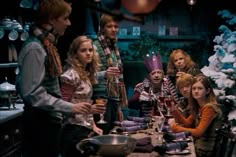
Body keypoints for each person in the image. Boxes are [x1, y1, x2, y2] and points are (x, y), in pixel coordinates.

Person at [16, 1, 91, 157]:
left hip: (47, 121)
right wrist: (70, 107)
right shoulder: (35, 48)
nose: (69, 23)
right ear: (51, 19)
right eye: (65, 18)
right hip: (39, 123)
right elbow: (32, 93)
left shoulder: (47, 45)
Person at [60, 36, 105, 157]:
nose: (88, 53)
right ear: (75, 54)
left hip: (83, 127)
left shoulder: (85, 73)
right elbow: (62, 106)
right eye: (83, 50)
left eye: (90, 50)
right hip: (72, 129)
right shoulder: (70, 75)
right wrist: (89, 110)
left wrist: (93, 125)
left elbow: (86, 102)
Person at [169, 74, 222, 157]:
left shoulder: (209, 108)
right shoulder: (199, 107)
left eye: (200, 88)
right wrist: (173, 110)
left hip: (204, 151)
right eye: (194, 88)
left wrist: (177, 128)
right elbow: (187, 123)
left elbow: (198, 132)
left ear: (207, 91)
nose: (196, 91)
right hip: (197, 146)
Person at [93, 14, 127, 134]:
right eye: (109, 26)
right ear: (102, 28)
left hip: (113, 98)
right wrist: (104, 74)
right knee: (102, 134)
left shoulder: (113, 47)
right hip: (100, 98)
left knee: (112, 132)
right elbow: (87, 75)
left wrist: (118, 107)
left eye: (116, 26)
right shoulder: (95, 46)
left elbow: (117, 78)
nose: (114, 29)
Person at [128, 52, 181, 117]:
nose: (156, 75)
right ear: (149, 76)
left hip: (165, 119)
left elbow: (177, 103)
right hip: (146, 120)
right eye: (153, 73)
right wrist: (140, 96)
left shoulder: (168, 84)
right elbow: (130, 104)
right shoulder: (143, 86)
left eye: (159, 73)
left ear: (162, 75)